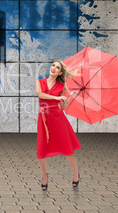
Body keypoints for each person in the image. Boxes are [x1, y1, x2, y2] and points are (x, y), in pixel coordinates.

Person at [35, 60, 81, 191]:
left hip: (58, 118)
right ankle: (44, 177)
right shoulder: (39, 82)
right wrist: (56, 98)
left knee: (67, 149)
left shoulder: (62, 87)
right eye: (53, 65)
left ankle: (76, 175)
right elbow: (40, 94)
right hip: (44, 117)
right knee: (41, 149)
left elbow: (63, 107)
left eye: (57, 67)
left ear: (60, 72)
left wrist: (69, 97)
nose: (54, 68)